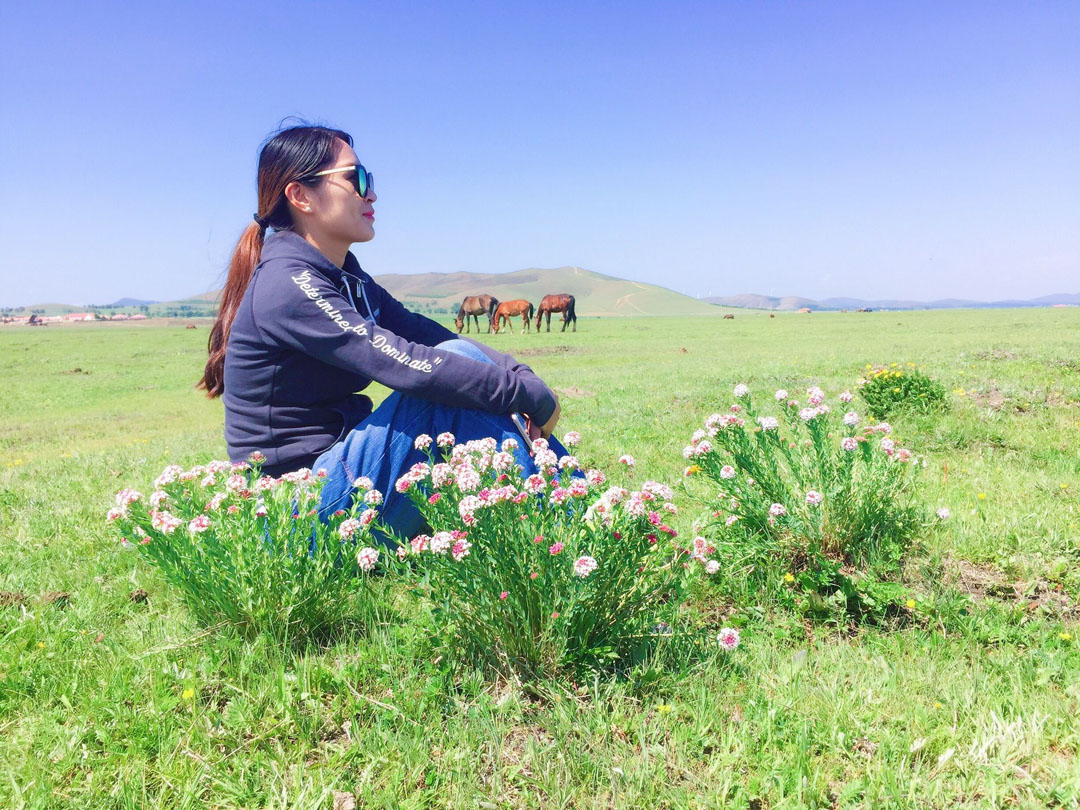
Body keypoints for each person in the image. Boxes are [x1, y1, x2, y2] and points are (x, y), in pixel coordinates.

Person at [198, 124, 564, 541]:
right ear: (300, 196)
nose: (371, 193)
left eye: (369, 179)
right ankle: (562, 527)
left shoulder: (344, 277)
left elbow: (434, 339)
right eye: (356, 179)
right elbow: (409, 367)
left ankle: (566, 510)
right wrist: (524, 394)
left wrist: (523, 373)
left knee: (462, 361)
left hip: (340, 486)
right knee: (440, 395)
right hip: (292, 517)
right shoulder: (289, 284)